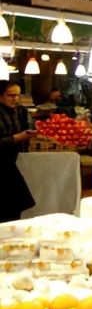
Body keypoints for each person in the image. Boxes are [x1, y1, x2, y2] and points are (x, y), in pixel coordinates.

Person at [0, 82, 36, 220]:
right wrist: (15, 138)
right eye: (11, 95)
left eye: (17, 95)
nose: (15, 99)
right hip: (2, 164)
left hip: (10, 163)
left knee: (16, 206)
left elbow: (29, 126)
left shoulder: (21, 111)